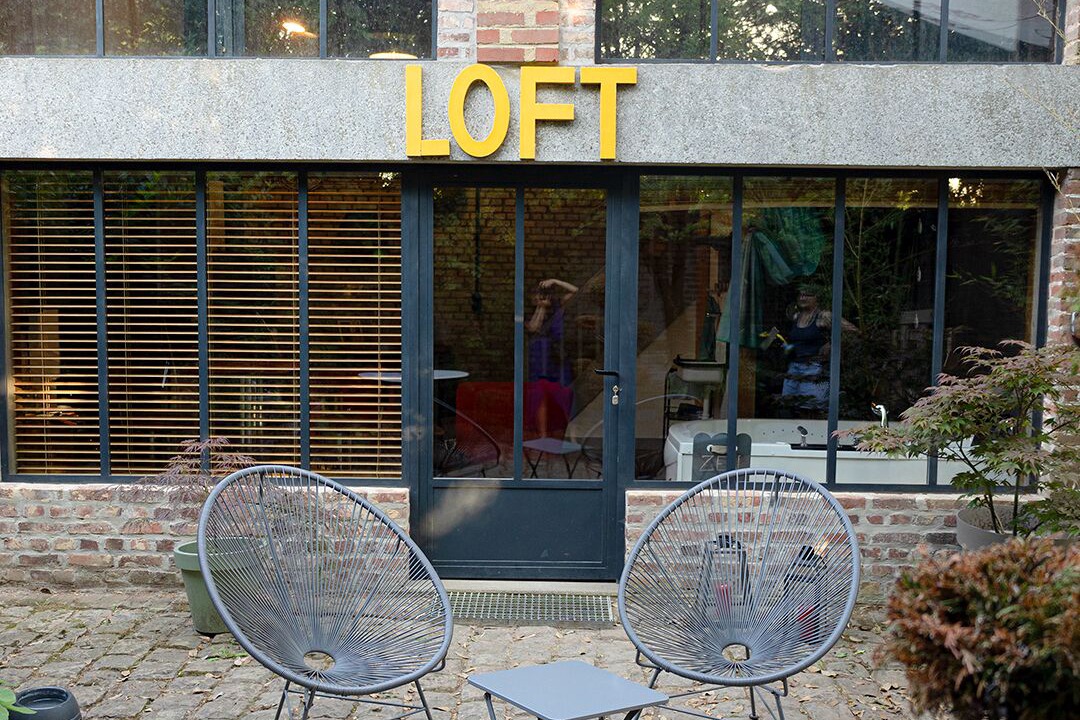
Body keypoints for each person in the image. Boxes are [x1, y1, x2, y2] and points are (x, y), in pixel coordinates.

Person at [525, 278, 577, 437]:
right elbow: (534, 328)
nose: (540, 298)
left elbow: (576, 291)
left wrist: (555, 281)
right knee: (540, 397)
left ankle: (572, 434)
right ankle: (542, 435)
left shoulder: (558, 306)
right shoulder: (528, 313)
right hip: (539, 359)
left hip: (557, 357)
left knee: (565, 395)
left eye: (542, 294)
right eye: (536, 295)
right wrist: (540, 308)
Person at [781, 286, 833, 416]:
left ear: (817, 298)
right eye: (801, 295)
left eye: (808, 295)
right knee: (787, 405)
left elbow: (852, 331)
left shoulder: (823, 316)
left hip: (814, 367)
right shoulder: (796, 316)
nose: (803, 298)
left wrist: (832, 344)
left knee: (812, 408)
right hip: (794, 367)